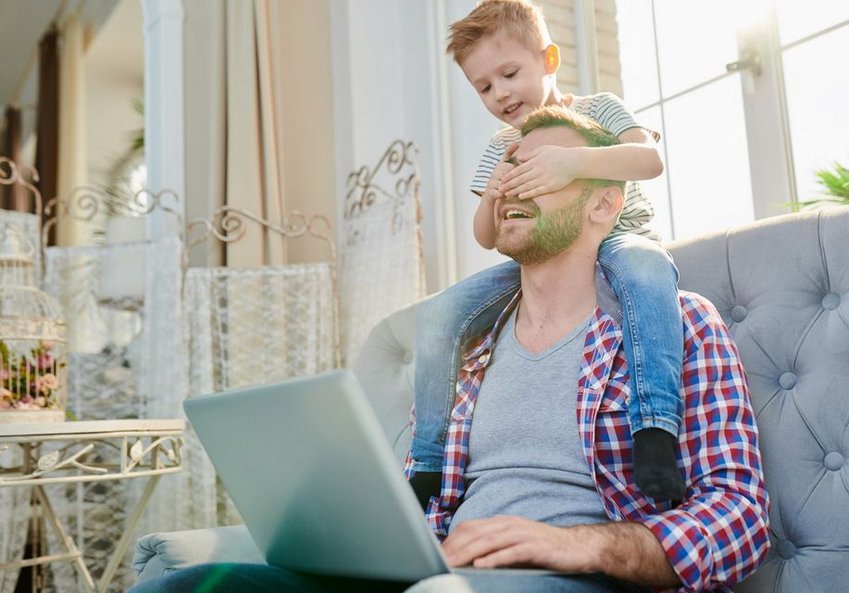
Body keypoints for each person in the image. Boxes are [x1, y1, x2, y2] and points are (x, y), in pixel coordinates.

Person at [127, 107, 769, 593]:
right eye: (509, 169)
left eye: (542, 172)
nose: (513, 185)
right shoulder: (468, 347)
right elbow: (427, 505)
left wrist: (580, 546)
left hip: (580, 580)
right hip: (443, 574)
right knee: (181, 587)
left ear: (605, 203)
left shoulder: (678, 323)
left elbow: (740, 517)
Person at [411, 0, 686, 506]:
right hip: (538, 256)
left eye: (510, 73)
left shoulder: (597, 109)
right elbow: (486, 237)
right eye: (484, 87)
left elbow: (649, 160)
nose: (501, 94)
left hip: (619, 239)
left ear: (549, 60)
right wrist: (493, 196)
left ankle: (653, 431)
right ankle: (426, 461)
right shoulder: (502, 145)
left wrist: (573, 162)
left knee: (647, 272)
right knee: (440, 313)